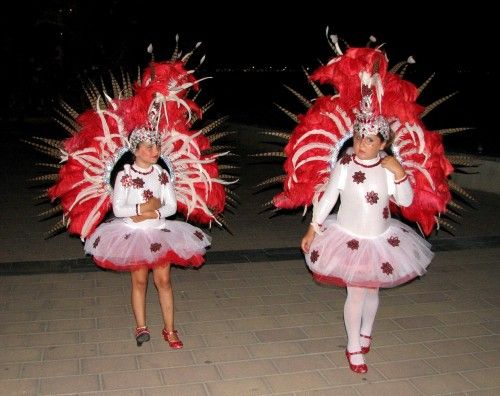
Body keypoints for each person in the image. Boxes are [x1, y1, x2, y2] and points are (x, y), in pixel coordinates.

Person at [300, 92, 434, 373]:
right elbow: (328, 198)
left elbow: (407, 201)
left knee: (372, 290)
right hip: (348, 238)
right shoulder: (346, 165)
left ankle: (366, 332)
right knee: (357, 293)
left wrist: (399, 173)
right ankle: (352, 346)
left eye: (370, 140)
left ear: (383, 143)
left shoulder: (388, 168)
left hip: (381, 240)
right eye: (359, 137)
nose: (361, 144)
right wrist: (314, 227)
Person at [84, 127, 210, 348]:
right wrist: (144, 206)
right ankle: (141, 326)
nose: (155, 151)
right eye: (149, 147)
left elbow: (171, 206)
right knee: (139, 281)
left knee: (164, 281)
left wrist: (153, 212)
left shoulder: (161, 173)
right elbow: (119, 209)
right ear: (136, 149)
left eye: (158, 146)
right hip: (134, 234)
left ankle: (170, 329)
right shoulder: (125, 175)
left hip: (160, 231)